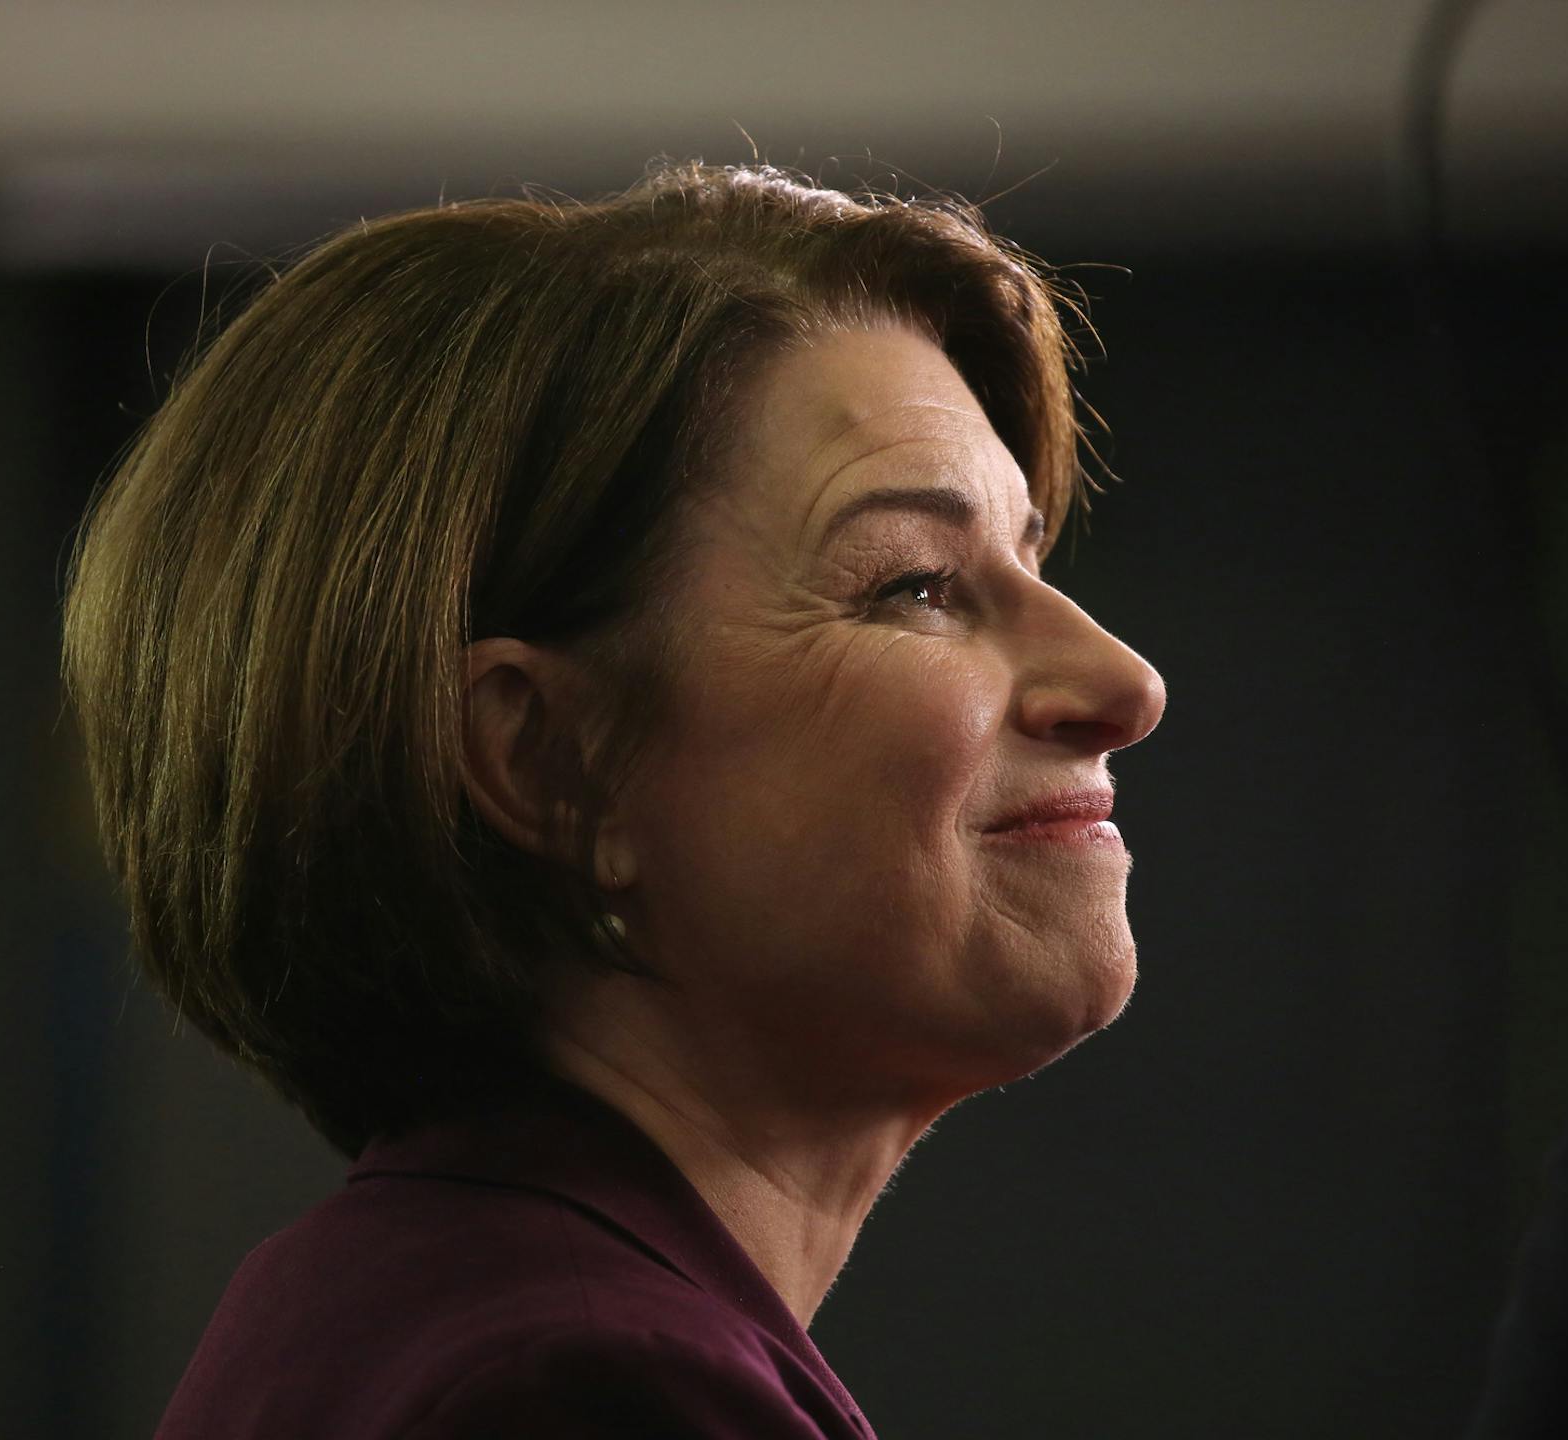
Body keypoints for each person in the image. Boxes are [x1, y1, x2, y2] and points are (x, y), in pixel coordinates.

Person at [61, 160, 1167, 1438]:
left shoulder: (413, 1305)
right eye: (914, 583)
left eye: (1028, 556)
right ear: (549, 763)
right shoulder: (590, 1389)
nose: (1120, 683)